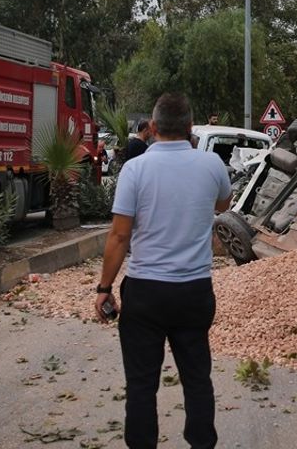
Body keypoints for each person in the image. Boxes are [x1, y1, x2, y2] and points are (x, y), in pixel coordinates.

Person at [95, 92, 232, 449]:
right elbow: (223, 202)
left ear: (152, 127)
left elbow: (120, 235)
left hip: (145, 293)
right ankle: (202, 443)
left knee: (141, 384)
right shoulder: (211, 165)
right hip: (194, 291)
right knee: (197, 378)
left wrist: (103, 288)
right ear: (190, 129)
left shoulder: (134, 170)